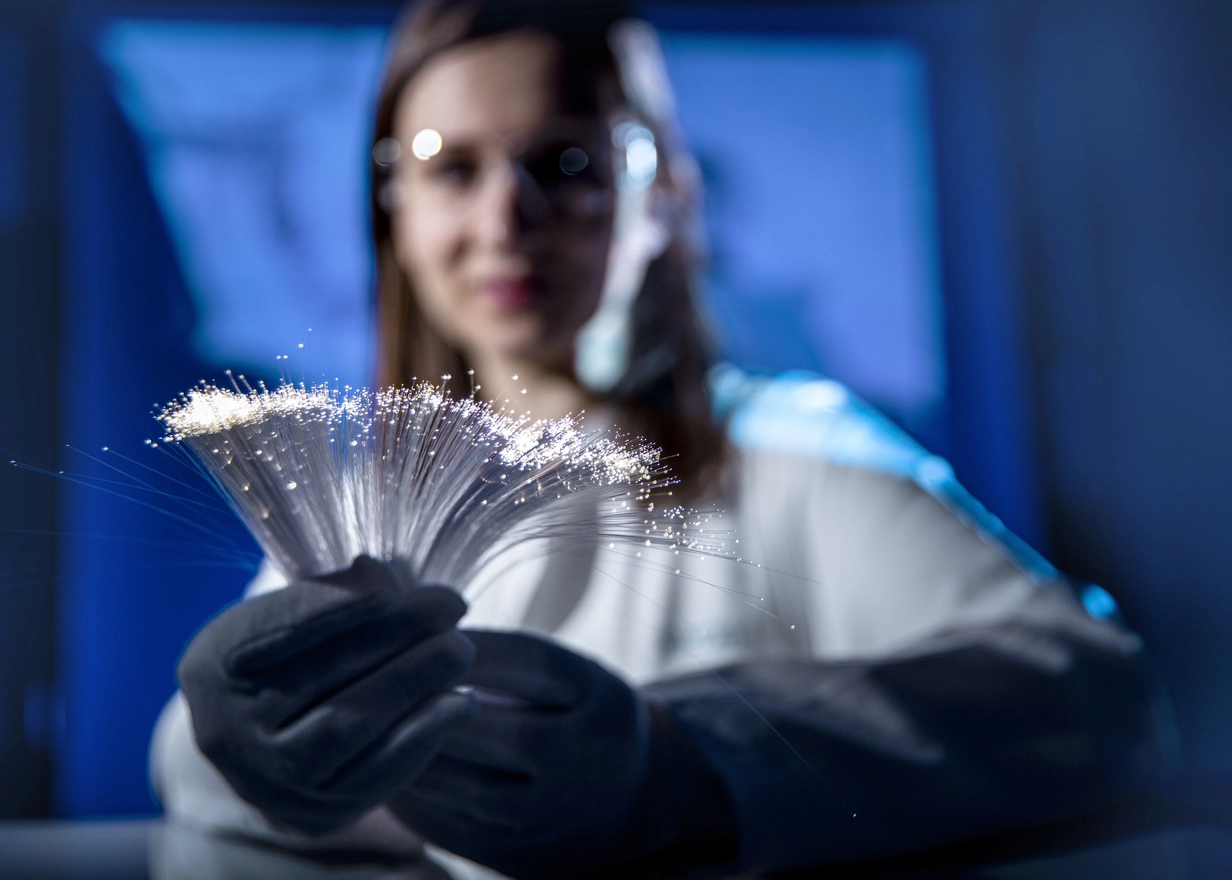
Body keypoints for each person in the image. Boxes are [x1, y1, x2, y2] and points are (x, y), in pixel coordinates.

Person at [150, 1, 1170, 877]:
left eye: (562, 163)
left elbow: (1095, 696)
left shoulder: (796, 452)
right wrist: (227, 752)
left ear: (660, 198)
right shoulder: (361, 507)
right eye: (450, 167)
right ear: (396, 210)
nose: (506, 218)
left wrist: (680, 762)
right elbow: (235, 773)